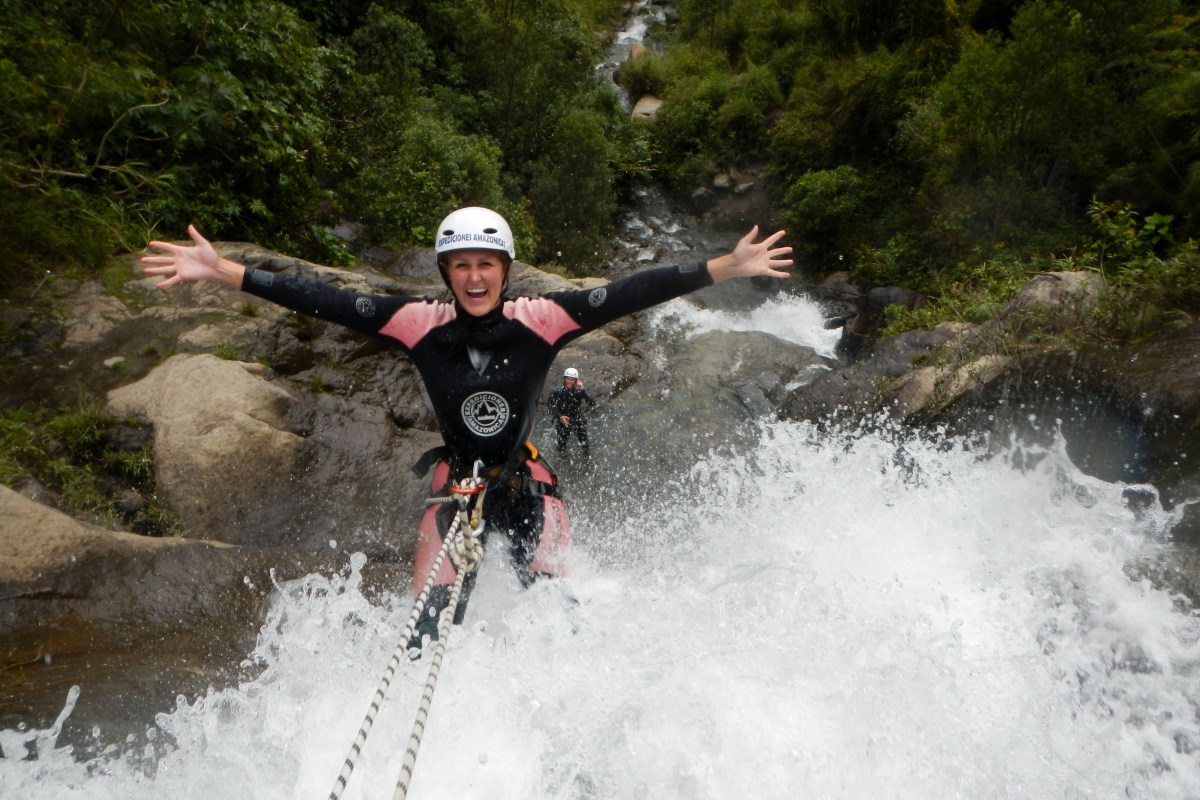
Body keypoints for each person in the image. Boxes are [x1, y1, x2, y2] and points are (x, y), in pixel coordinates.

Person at [141, 207, 792, 647]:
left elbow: (628, 292)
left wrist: (723, 267)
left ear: (505, 269)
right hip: (457, 492)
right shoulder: (417, 324)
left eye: (486, 264)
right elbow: (327, 300)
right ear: (446, 273)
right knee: (426, 630)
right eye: (461, 265)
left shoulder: (543, 318)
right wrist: (223, 271)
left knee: (558, 623)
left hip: (527, 487)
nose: (475, 277)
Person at [548, 367, 596, 455]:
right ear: (564, 379)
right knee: (561, 447)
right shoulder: (558, 391)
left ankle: (586, 460)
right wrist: (560, 416)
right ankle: (561, 462)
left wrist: (583, 389)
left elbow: (592, 403)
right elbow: (550, 405)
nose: (569, 382)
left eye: (572, 380)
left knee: (585, 444)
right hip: (563, 420)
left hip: (577, 419)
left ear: (576, 381)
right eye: (568, 379)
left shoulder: (579, 392)